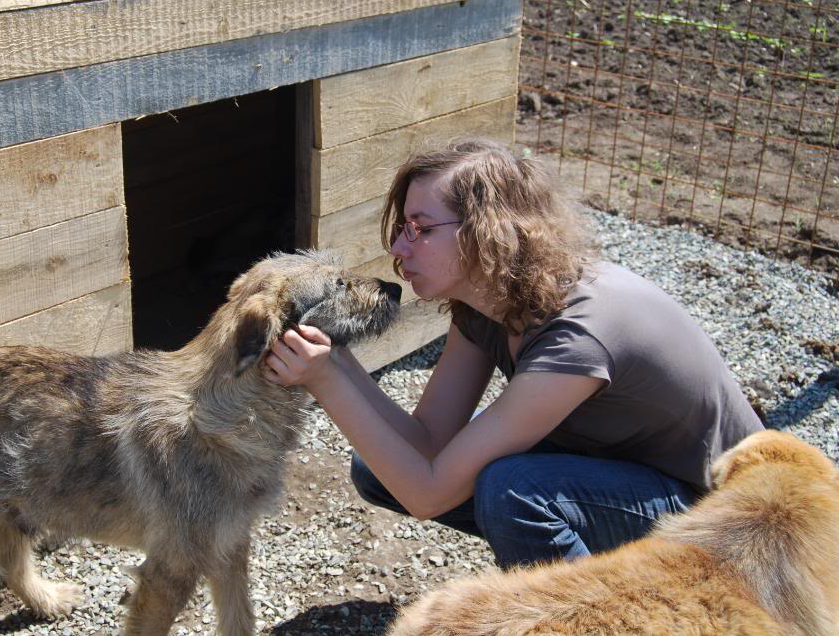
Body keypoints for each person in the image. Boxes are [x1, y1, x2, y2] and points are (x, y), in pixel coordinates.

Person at [262, 138, 764, 568]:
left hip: (724, 516)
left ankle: (595, 614)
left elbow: (427, 493)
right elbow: (428, 440)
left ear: (491, 229)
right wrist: (336, 358)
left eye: (421, 228)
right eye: (401, 228)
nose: (398, 248)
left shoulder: (581, 333)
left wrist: (325, 382)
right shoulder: (485, 303)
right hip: (620, 471)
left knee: (516, 491)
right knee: (380, 467)